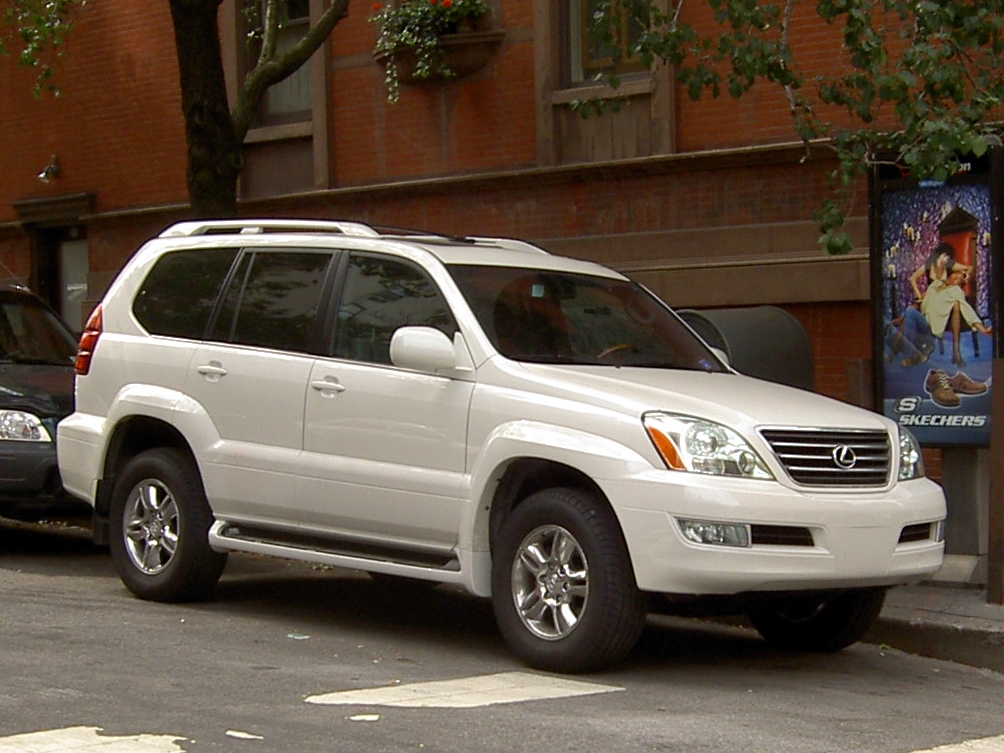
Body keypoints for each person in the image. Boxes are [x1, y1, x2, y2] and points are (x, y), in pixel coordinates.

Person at [908, 242, 992, 366]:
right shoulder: (928, 264)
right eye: (945, 256)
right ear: (939, 254)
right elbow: (912, 278)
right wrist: (919, 296)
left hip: (944, 296)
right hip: (931, 296)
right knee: (957, 296)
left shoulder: (949, 265)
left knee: (957, 299)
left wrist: (966, 276)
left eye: (948, 257)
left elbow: (969, 267)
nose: (946, 259)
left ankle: (956, 352)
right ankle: (981, 327)